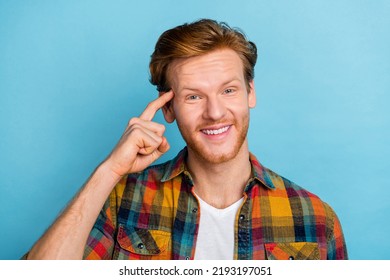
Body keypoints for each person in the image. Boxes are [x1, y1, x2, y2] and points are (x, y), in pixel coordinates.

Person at [24, 19, 347, 260]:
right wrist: (109, 171)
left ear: (251, 93)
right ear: (168, 108)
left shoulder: (315, 218)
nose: (215, 113)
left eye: (229, 90)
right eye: (193, 97)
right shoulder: (122, 201)